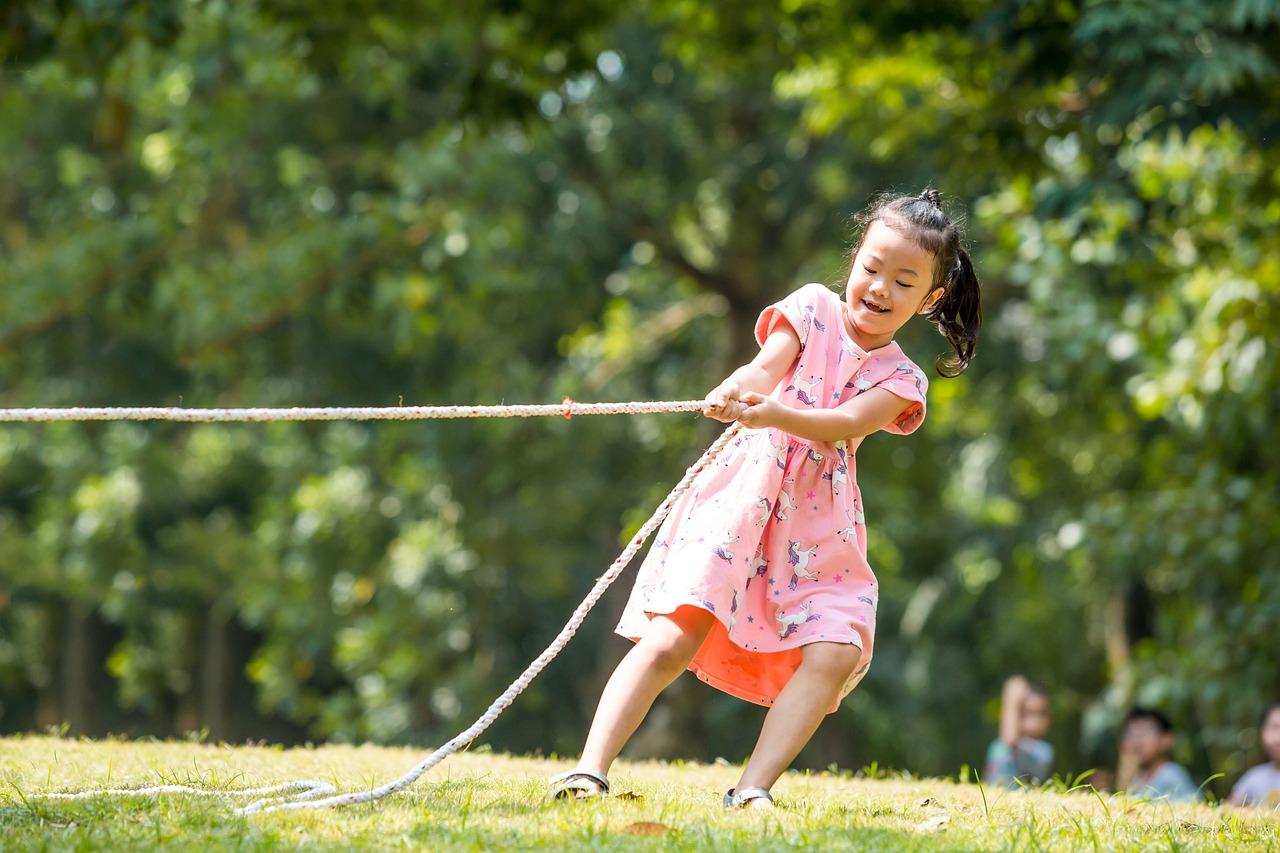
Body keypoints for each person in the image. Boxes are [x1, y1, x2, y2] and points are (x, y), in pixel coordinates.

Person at [547, 189, 982, 809]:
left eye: (903, 281)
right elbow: (762, 369)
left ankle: (752, 789)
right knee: (673, 635)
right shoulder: (809, 310)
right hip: (741, 502)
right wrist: (737, 390)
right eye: (872, 268)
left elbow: (841, 422)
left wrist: (778, 410)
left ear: (929, 300)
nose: (880, 288)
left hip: (815, 531)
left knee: (838, 648)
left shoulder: (902, 379)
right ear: (855, 260)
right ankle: (589, 771)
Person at [1119, 707, 1203, 802]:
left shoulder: (1171, 775)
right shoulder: (1135, 779)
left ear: (1166, 739)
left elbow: (1194, 806)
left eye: (1144, 733)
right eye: (1131, 734)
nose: (1137, 742)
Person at [984, 675, 1054, 787]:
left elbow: (1011, 740)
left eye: (1040, 714)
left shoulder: (1043, 751)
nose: (1034, 721)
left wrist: (1011, 701)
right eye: (1026, 713)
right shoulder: (997, 745)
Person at [1229, 702, 1280, 809]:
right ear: (1263, 732)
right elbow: (1228, 810)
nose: (1278, 738)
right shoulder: (1253, 777)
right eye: (1274, 728)